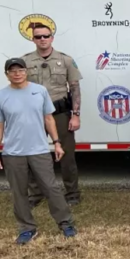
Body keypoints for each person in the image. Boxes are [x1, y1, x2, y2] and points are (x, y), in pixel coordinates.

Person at [0, 58, 76, 245]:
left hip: (39, 150)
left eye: (20, 69)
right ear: (7, 74)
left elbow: (49, 119)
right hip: (13, 153)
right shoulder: (0, 96)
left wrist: (57, 143)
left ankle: (66, 223)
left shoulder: (40, 91)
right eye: (12, 71)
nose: (17, 73)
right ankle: (27, 229)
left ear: (26, 71)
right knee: (19, 192)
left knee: (51, 188)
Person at [22, 22, 82, 206]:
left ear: (52, 38)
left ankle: (72, 193)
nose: (42, 39)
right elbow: (19, 87)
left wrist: (76, 114)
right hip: (34, 114)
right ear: (33, 39)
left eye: (45, 36)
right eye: (38, 36)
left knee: (66, 155)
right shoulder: (24, 61)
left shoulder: (65, 60)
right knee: (33, 154)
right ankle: (35, 194)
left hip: (60, 113)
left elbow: (74, 88)